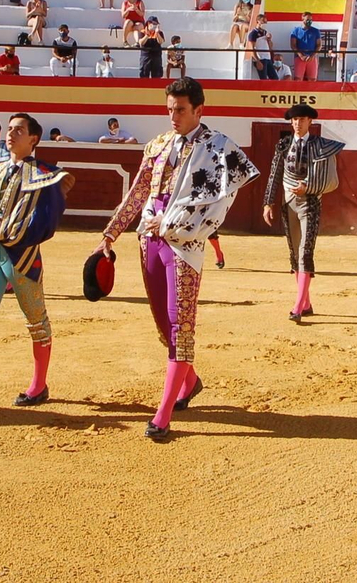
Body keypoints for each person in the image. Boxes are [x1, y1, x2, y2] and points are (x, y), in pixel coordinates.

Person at [96, 78, 259, 440]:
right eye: (169, 108)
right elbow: (138, 191)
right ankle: (191, 380)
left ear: (199, 110)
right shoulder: (156, 144)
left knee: (179, 326)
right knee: (161, 322)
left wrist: (169, 221)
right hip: (148, 241)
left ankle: (163, 414)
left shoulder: (217, 147)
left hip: (184, 244)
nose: (173, 116)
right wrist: (110, 233)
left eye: (181, 110)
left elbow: (218, 203)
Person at [262, 105, 345, 320]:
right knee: (294, 253)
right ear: (291, 122)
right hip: (289, 202)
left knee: (305, 251)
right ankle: (306, 303)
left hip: (310, 203)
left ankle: (297, 307)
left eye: (302, 119)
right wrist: (268, 203)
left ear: (310, 122)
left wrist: (308, 187)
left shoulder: (320, 145)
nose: (298, 123)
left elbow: (328, 178)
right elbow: (275, 173)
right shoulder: (283, 145)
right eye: (295, 120)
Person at [289, 12, 322, 82]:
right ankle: (297, 92)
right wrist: (301, 55)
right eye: (307, 19)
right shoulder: (296, 31)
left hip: (312, 58)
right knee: (298, 79)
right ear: (303, 19)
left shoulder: (316, 31)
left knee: (312, 79)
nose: (309, 21)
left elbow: (319, 45)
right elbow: (293, 45)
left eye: (311, 19)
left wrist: (313, 56)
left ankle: (311, 92)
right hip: (299, 58)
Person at [245, 12, 276, 80]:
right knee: (263, 79)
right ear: (258, 21)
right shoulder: (253, 33)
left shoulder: (265, 32)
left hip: (268, 58)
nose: (265, 23)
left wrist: (269, 40)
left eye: (266, 22)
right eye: (263, 21)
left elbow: (270, 46)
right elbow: (252, 48)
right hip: (261, 59)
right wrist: (257, 61)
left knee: (275, 78)